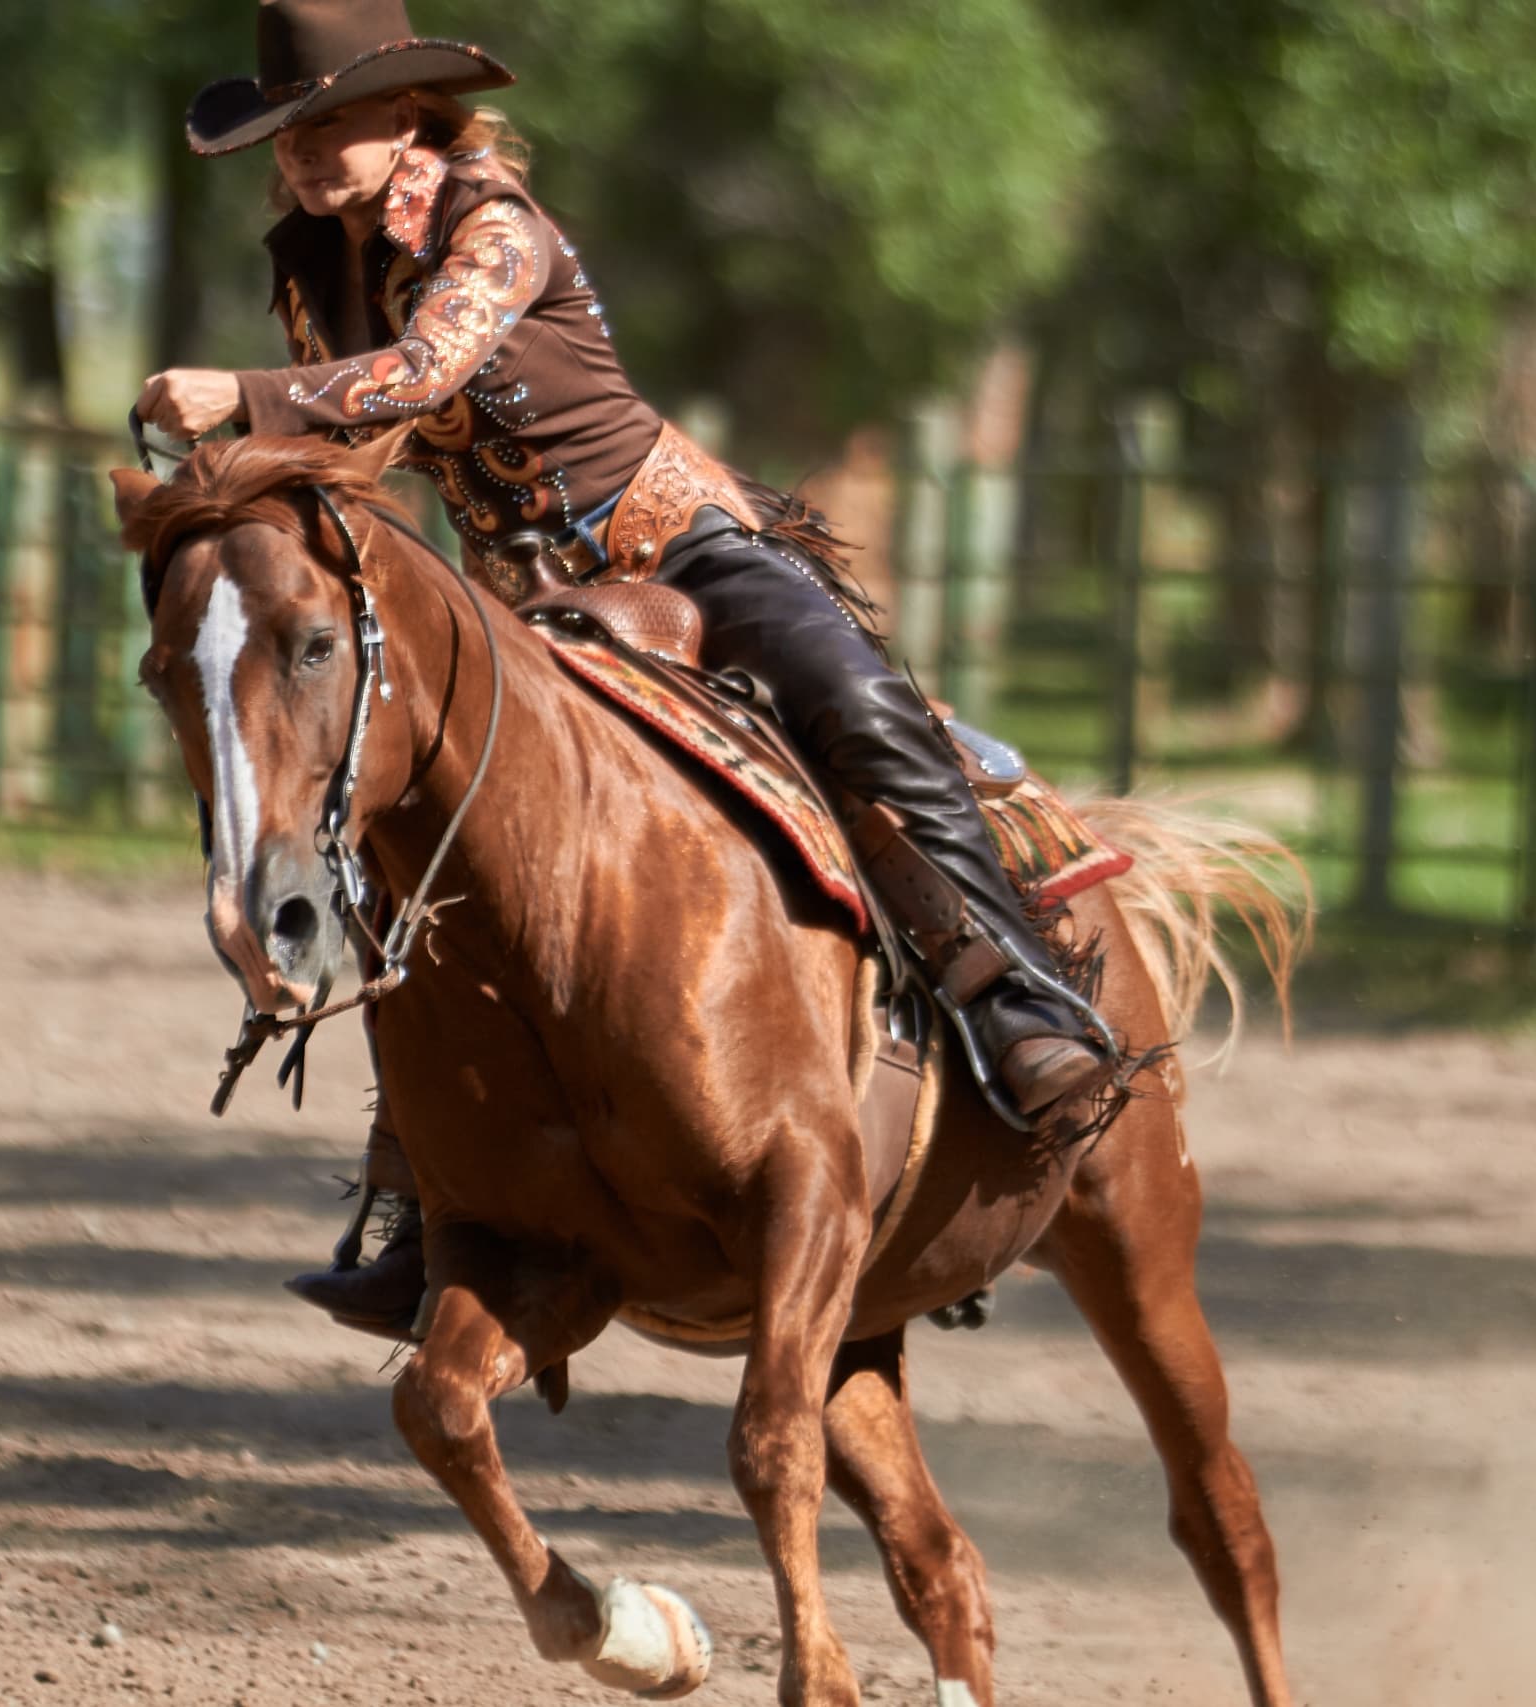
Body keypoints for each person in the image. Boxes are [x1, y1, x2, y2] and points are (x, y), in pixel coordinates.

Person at [139, 0, 1118, 1337]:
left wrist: (241, 400)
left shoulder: (495, 224)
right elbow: (359, 454)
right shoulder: (315, 268)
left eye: (331, 123)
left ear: (410, 114)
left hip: (683, 553)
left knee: (863, 712)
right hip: (524, 607)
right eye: (285, 134)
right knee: (396, 821)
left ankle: (1013, 1003)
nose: (306, 156)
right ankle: (421, 1180)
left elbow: (425, 376)